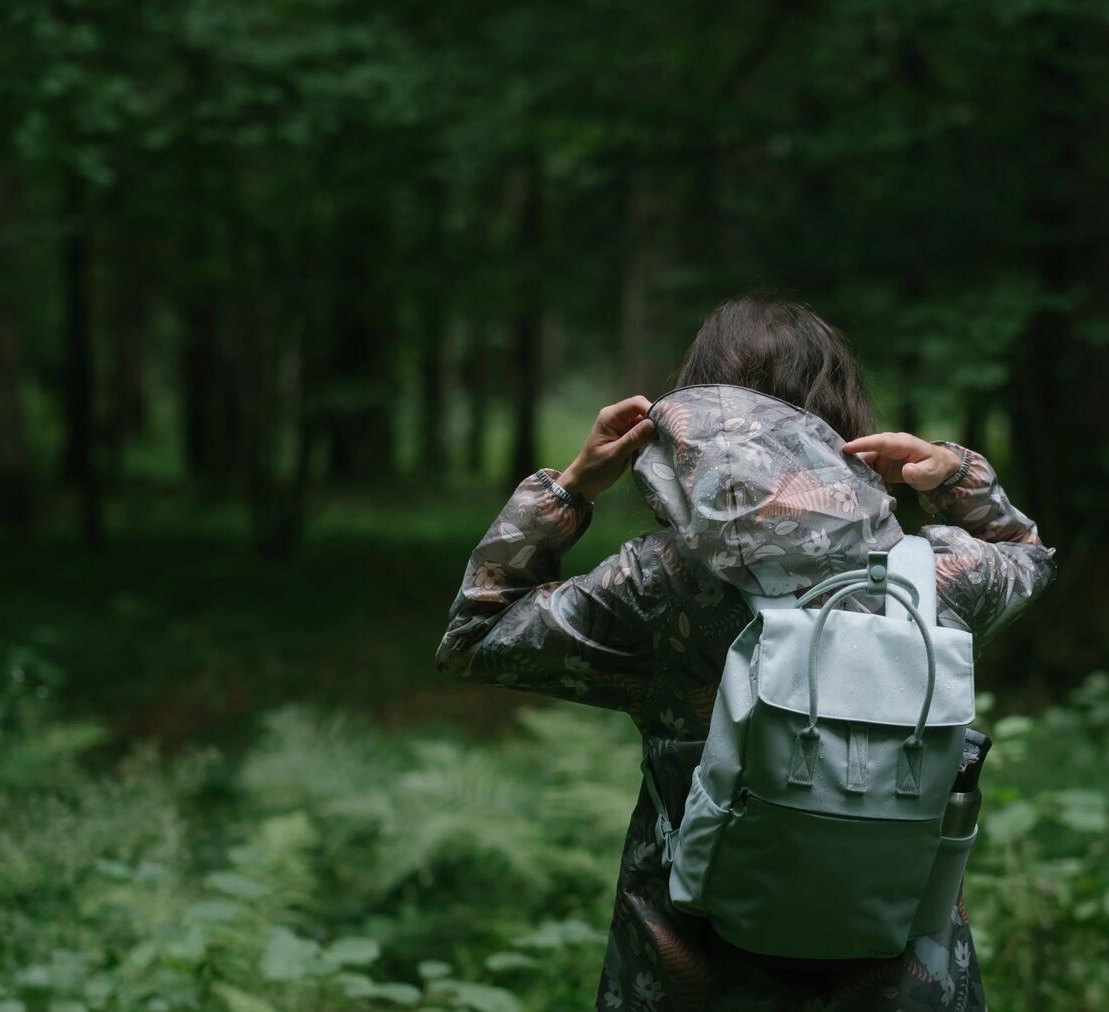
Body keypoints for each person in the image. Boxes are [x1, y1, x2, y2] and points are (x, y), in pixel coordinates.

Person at [437, 293, 1055, 1011]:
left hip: (690, 975)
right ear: (842, 417)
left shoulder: (656, 582)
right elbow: (1027, 554)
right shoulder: (929, 574)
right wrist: (954, 474)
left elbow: (478, 634)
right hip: (903, 979)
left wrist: (572, 486)